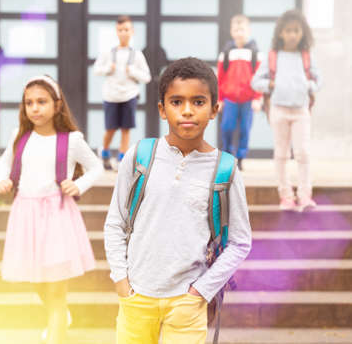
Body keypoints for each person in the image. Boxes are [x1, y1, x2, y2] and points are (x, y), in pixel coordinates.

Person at [104, 58, 252, 344]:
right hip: (136, 297)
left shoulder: (226, 169)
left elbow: (240, 241)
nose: (187, 111)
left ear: (214, 109)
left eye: (198, 102)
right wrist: (122, 281)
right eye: (176, 102)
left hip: (187, 303)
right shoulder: (139, 156)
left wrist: (201, 291)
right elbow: (115, 223)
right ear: (162, 109)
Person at [0, 75, 103, 344]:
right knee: (35, 279)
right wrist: (2, 179)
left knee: (56, 288)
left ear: (56, 105)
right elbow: (4, 163)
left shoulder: (71, 140)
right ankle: (61, 314)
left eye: (41, 101)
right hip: (26, 215)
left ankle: (57, 328)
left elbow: (96, 167)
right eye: (29, 102)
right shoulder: (19, 137)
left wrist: (78, 185)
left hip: (57, 215)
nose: (35, 108)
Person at [251, 10, 321, 212]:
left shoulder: (306, 56)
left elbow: (318, 80)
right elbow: (255, 82)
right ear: (280, 33)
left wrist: (309, 86)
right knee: (281, 153)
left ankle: (305, 196)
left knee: (303, 153)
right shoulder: (273, 56)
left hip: (301, 111)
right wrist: (271, 85)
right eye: (288, 30)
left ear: (303, 33)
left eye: (296, 31)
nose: (292, 34)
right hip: (278, 110)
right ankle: (286, 197)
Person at [93, 15, 151, 170]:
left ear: (132, 32)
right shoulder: (108, 52)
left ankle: (121, 160)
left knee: (126, 129)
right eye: (120, 30)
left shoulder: (137, 54)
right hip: (111, 96)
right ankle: (104, 152)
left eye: (126, 29)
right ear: (116, 32)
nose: (123, 33)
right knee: (111, 128)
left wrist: (132, 71)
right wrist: (108, 69)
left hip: (129, 96)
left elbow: (147, 77)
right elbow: (96, 70)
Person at [217, 14, 262, 170]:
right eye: (236, 30)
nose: (239, 33)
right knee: (227, 127)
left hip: (248, 99)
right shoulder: (226, 52)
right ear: (231, 31)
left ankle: (241, 157)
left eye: (242, 29)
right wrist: (220, 98)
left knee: (244, 129)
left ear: (248, 31)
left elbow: (259, 76)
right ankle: (228, 156)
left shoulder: (255, 52)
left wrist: (257, 98)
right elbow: (220, 77)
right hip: (229, 98)